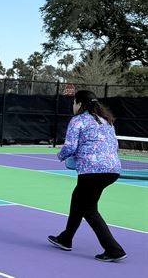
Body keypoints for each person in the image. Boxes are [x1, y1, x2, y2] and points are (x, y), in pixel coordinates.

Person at [48, 90, 127, 262]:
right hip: (112, 169)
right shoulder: (106, 121)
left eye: (74, 103)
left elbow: (70, 146)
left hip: (92, 171)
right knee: (79, 200)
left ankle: (114, 249)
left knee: (89, 209)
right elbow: (114, 144)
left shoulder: (77, 121)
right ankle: (66, 238)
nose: (73, 106)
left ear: (79, 104)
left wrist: (60, 156)